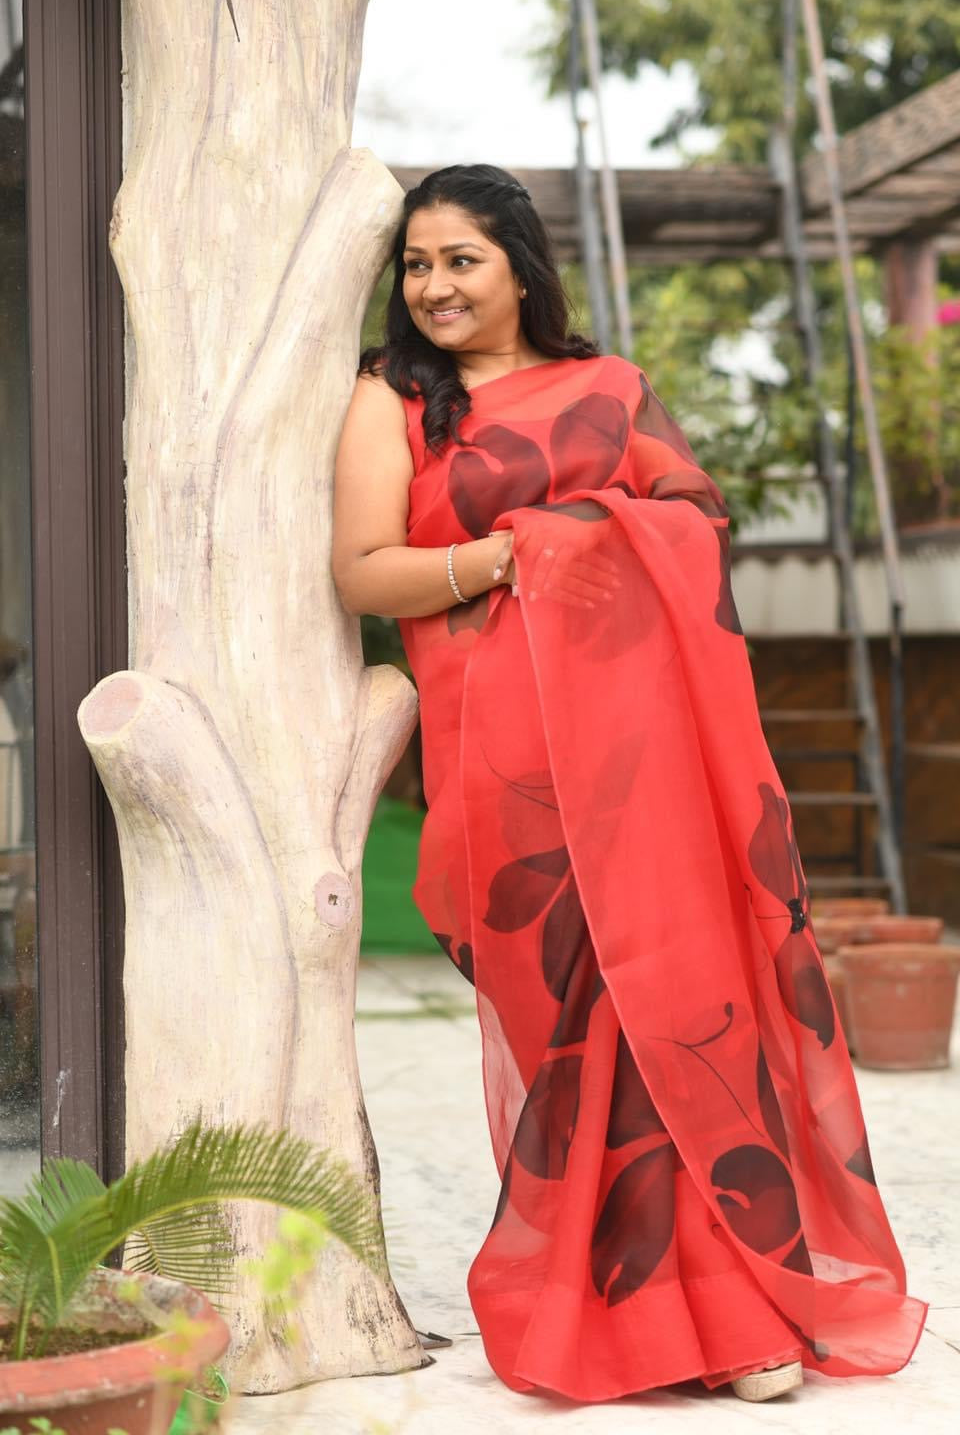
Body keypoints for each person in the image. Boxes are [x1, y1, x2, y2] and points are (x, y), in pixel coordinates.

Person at [332, 163, 927, 1405]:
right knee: (571, 1028)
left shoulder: (611, 391)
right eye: (418, 264)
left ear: (521, 266)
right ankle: (616, 1312)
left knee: (684, 1013)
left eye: (461, 260)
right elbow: (365, 571)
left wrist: (598, 530)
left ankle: (733, 1320)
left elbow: (693, 514)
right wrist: (511, 554)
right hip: (509, 773)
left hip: (645, 766)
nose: (434, 286)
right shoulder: (394, 401)